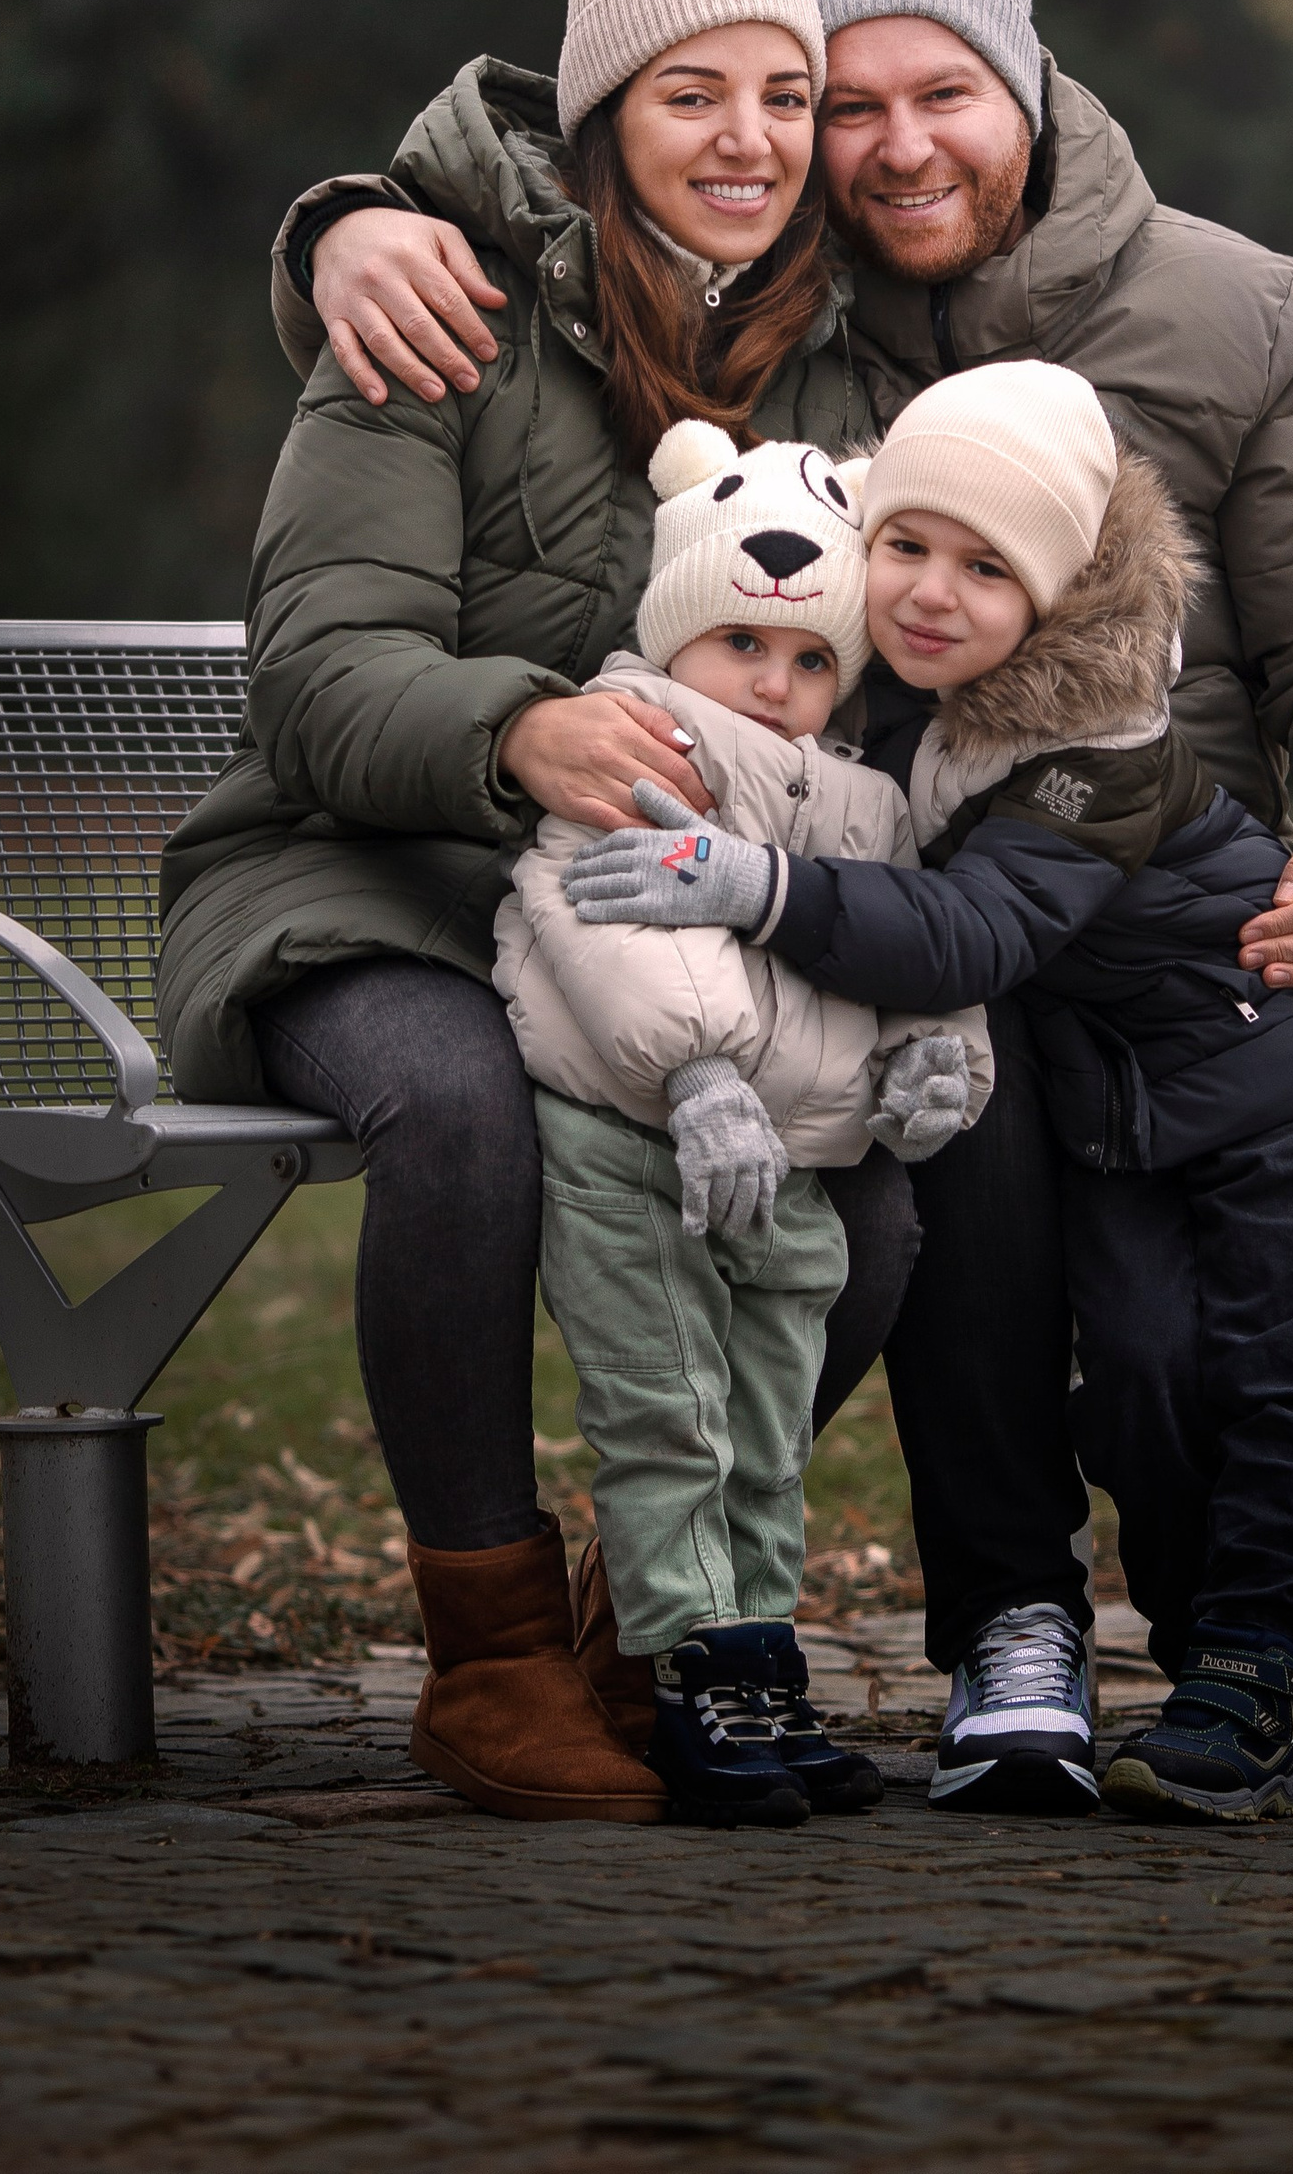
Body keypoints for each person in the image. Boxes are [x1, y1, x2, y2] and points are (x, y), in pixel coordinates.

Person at [295, 0, 1293, 1801]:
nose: (894, 145)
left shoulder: (1242, 312)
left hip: (1197, 892)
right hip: (928, 890)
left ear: (1031, 87)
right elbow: (569, 248)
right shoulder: (800, 323)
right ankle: (1007, 1616)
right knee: (946, 1046)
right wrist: (341, 227)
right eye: (846, 103)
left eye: (943, 93)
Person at [154, 0, 916, 1825]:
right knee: (460, 1104)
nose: (745, 140)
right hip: (364, 886)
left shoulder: (841, 359)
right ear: (599, 120)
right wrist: (517, 728)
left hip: (666, 912)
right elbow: (318, 675)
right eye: (688, 94)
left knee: (870, 1179)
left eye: (781, 94)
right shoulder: (439, 312)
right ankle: (487, 1655)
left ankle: (657, 1632)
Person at [569, 361, 1293, 1825]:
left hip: (1273, 1080)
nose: (932, 594)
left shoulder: (1095, 747)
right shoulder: (895, 697)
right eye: (906, 545)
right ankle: (1159, 1656)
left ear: (1061, 594)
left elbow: (973, 932)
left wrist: (752, 883)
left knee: (1281, 1373)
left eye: (989, 568)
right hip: (1124, 1108)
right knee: (1142, 1371)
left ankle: (1254, 1669)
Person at [497, 419, 989, 1825]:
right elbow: (596, 922)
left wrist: (937, 1056)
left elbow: (908, 939)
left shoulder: (866, 800)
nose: (775, 684)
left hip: (799, 1166)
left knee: (770, 1421)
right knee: (672, 1414)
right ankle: (688, 1670)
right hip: (635, 1143)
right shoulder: (634, 743)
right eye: (742, 644)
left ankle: (760, 1657)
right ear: (678, 632)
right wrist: (699, 1074)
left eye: (813, 659)